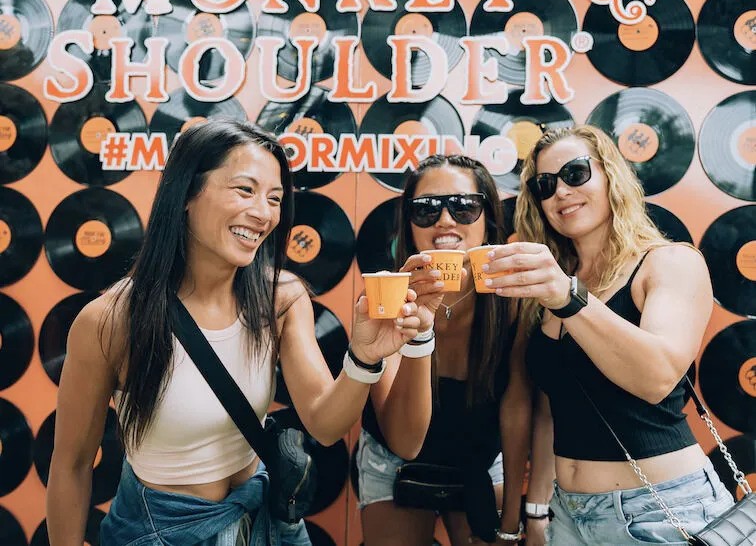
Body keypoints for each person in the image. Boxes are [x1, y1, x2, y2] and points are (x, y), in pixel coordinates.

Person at [46, 120, 433, 546]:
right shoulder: (109, 320)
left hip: (266, 520)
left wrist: (363, 358)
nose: (264, 213)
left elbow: (325, 425)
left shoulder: (280, 297)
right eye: (245, 190)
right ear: (187, 193)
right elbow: (71, 465)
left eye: (275, 199)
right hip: (160, 531)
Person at [486, 125, 735, 545]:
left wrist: (569, 297)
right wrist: (534, 511)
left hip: (661, 508)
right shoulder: (551, 286)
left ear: (610, 176)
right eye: (545, 185)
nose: (561, 192)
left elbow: (655, 378)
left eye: (575, 173)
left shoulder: (669, 263)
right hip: (567, 513)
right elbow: (549, 411)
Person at [356, 154, 532, 546]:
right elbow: (403, 440)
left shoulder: (513, 300)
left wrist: (515, 518)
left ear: (488, 217)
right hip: (395, 459)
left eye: (464, 206)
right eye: (426, 209)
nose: (445, 220)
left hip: (483, 454)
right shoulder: (389, 298)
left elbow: (517, 407)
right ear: (409, 224)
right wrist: (419, 328)